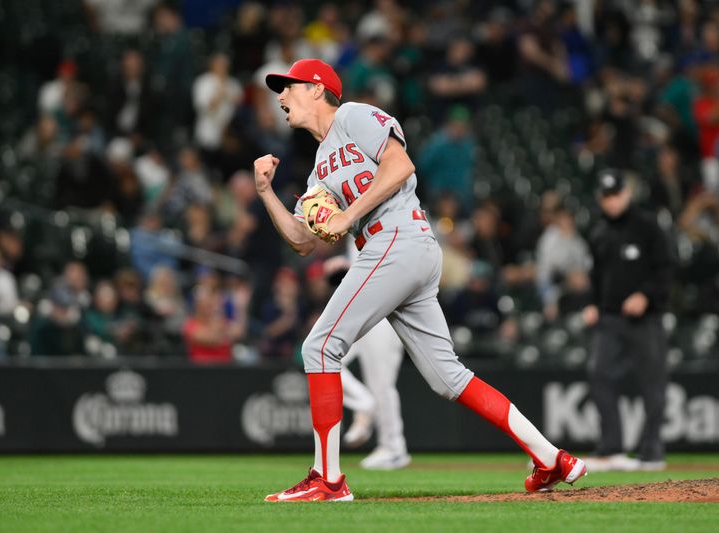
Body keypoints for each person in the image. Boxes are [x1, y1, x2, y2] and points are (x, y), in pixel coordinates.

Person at [254, 58, 586, 502]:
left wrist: (348, 215)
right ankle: (551, 457)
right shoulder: (319, 167)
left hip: (398, 237)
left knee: (319, 346)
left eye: (289, 87)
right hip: (396, 248)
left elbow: (400, 166)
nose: (281, 96)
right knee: (447, 377)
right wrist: (265, 193)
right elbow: (301, 240)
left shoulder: (353, 115)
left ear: (317, 89)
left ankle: (328, 479)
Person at [582, 169, 674, 472]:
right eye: (606, 196)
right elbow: (596, 276)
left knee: (652, 384)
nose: (611, 202)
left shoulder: (648, 227)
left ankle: (651, 451)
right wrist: (593, 304)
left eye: (615, 195)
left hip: (646, 319)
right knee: (599, 376)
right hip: (609, 318)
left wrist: (646, 295)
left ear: (627, 194)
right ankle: (612, 448)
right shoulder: (598, 232)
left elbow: (665, 269)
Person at [325, 247, 411, 471]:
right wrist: (346, 264)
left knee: (381, 383)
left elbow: (389, 264)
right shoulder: (356, 221)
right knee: (323, 356)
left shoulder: (391, 217)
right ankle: (365, 403)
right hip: (360, 309)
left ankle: (393, 447)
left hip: (386, 311)